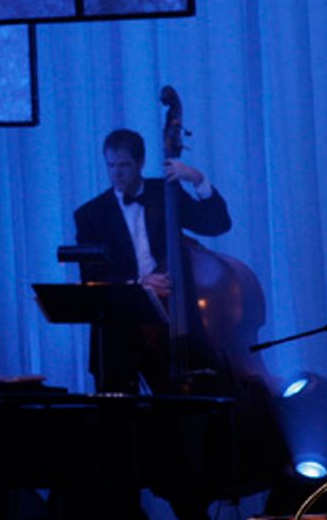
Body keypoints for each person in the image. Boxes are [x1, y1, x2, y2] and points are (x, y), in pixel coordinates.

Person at [74, 127, 232, 393]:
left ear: (140, 162)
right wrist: (138, 283)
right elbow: (92, 275)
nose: (117, 173)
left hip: (171, 321)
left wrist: (198, 180)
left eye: (124, 165)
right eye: (111, 165)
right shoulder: (91, 214)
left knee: (179, 402)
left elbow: (217, 223)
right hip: (119, 326)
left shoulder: (165, 193)